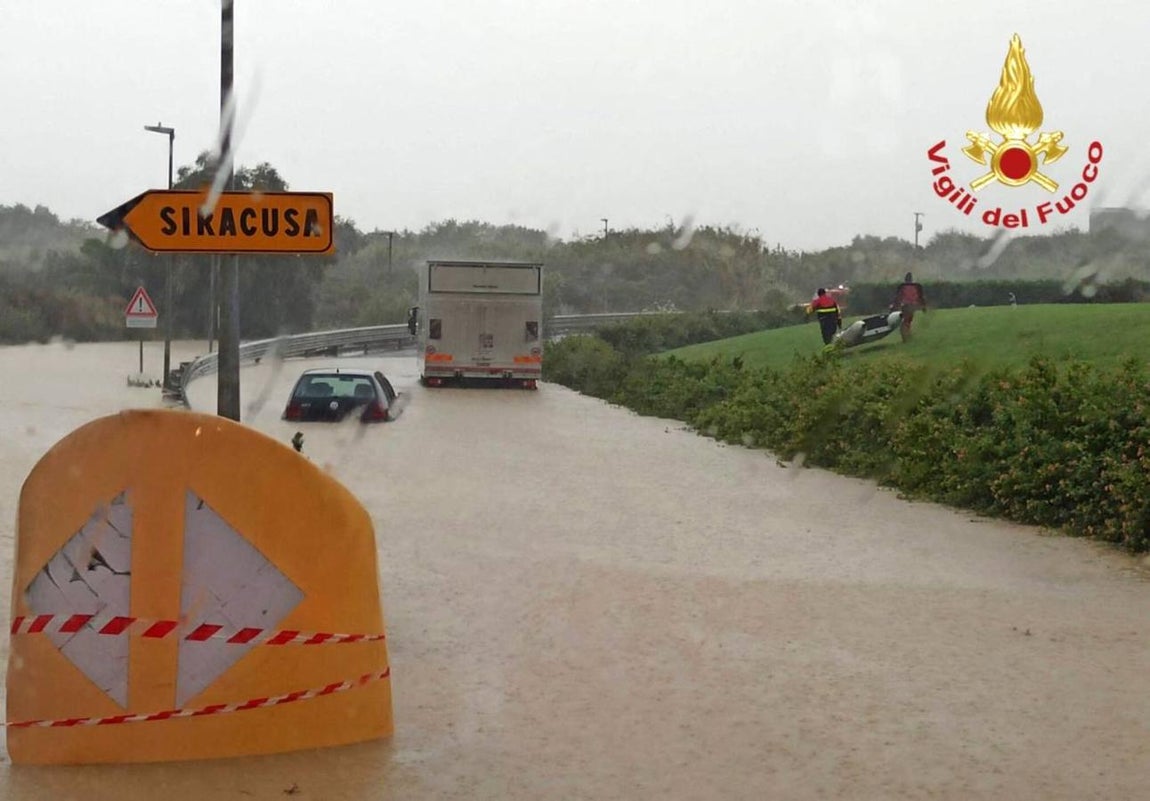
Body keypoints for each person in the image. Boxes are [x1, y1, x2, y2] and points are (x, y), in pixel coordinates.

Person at [891, 272, 927, 342]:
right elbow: (921, 297)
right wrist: (923, 307)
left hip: (906, 306)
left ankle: (906, 338)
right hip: (913, 306)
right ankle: (908, 336)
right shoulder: (916, 286)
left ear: (905, 279)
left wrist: (894, 306)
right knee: (908, 321)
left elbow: (898, 297)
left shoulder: (902, 287)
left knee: (904, 322)